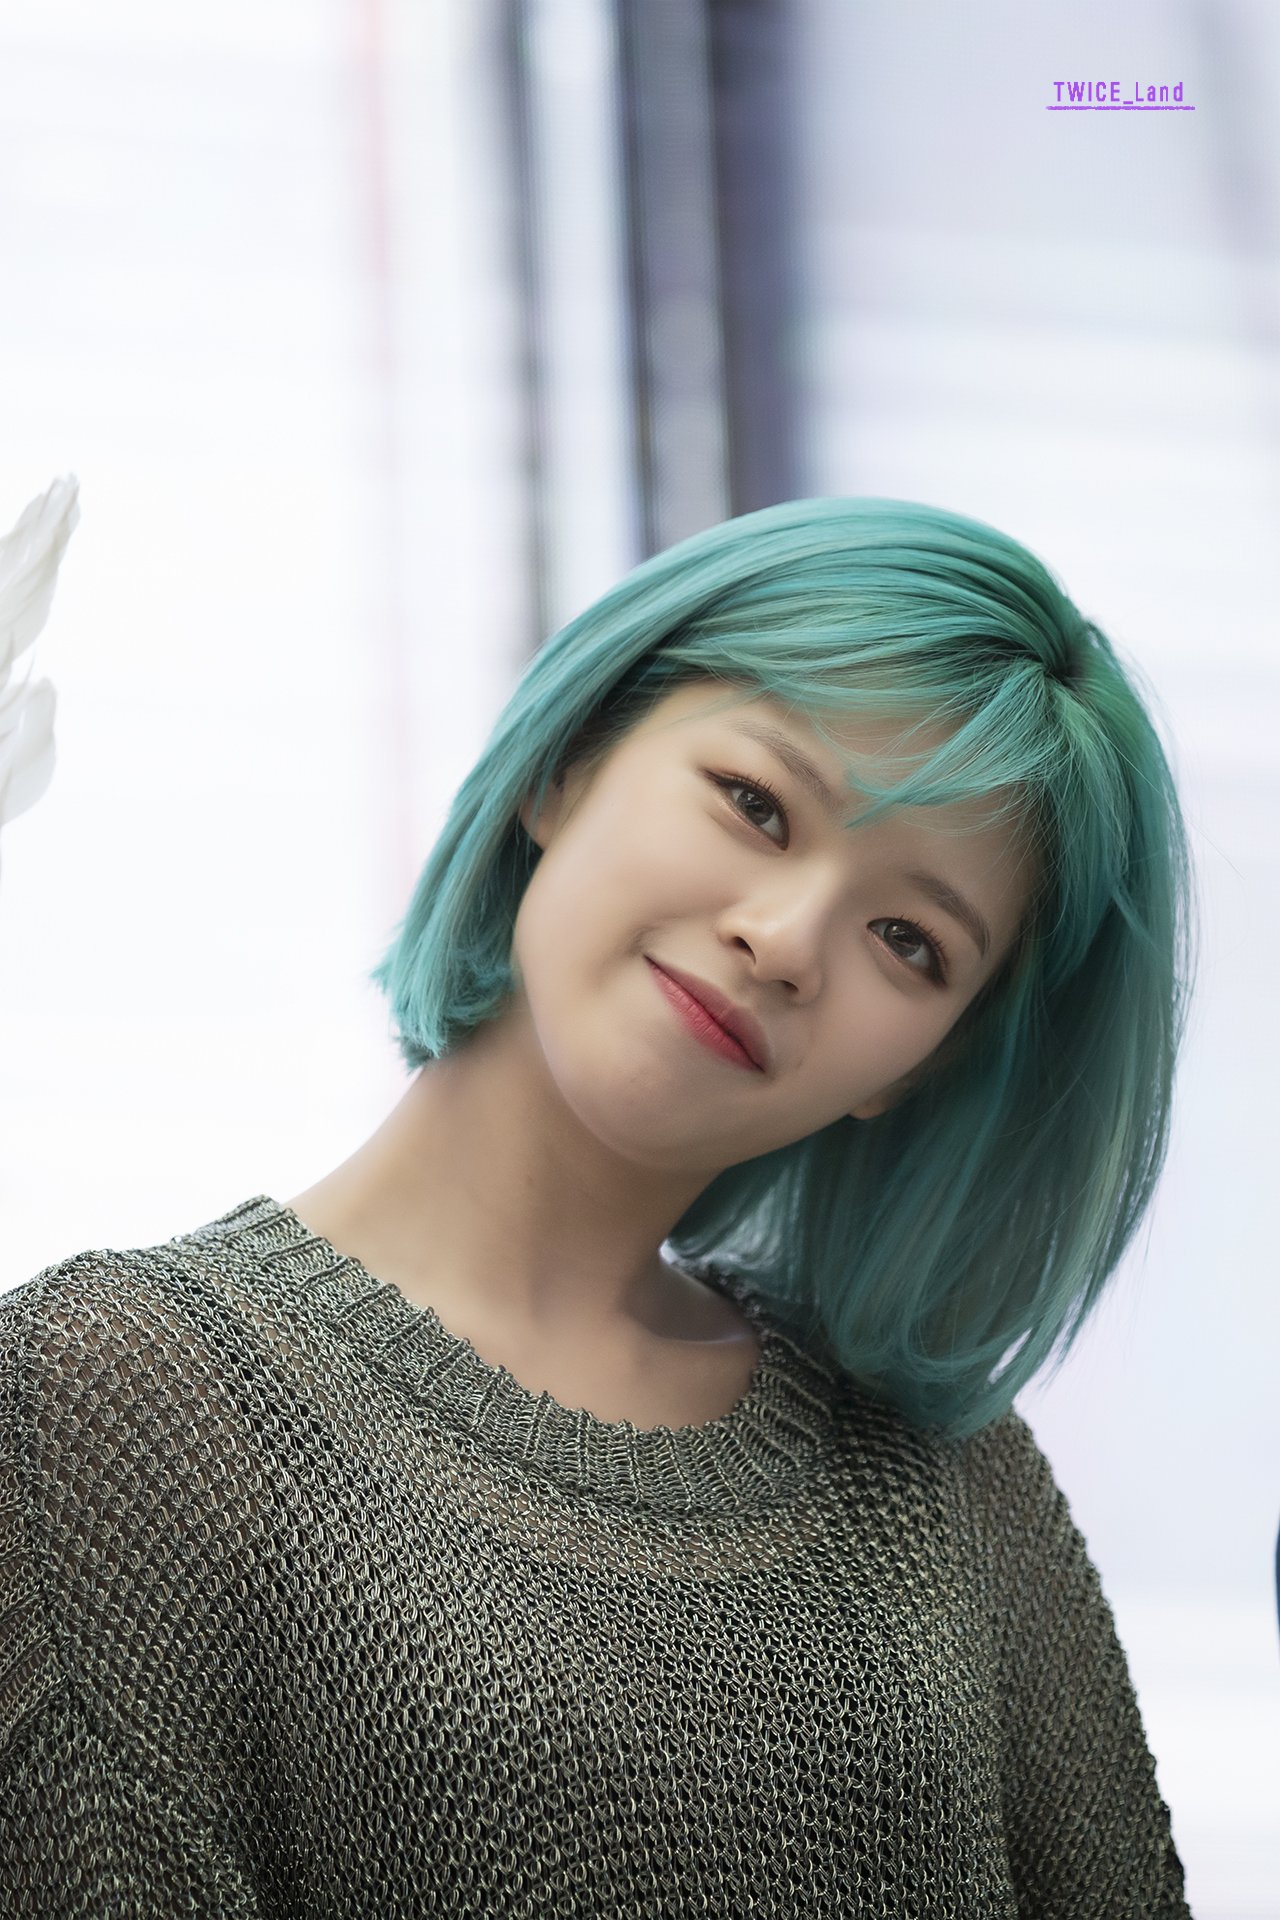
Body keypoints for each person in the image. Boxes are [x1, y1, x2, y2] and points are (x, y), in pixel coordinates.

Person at [0, 497, 1197, 1914]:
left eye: (908, 940)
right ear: (567, 766)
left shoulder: (941, 1476)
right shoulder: (106, 1401)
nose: (785, 940)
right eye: (757, 804)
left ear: (919, 1068)